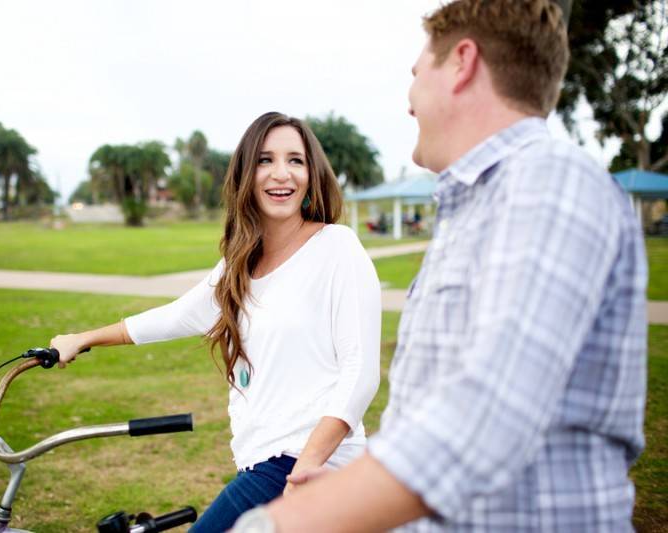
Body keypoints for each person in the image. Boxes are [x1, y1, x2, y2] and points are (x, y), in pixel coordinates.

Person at [232, 1, 648, 531]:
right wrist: (358, 480)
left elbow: (486, 417)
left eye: (415, 73)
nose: (408, 101)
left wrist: (284, 522)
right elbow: (441, 415)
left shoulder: (547, 183)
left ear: (462, 62)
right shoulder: (480, 207)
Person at [49, 111, 381, 532]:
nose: (282, 173)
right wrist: (85, 338)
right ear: (246, 174)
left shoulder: (336, 247)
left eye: (295, 160)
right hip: (264, 463)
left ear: (312, 173)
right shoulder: (240, 264)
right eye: (265, 160)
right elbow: (178, 316)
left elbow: (361, 372)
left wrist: (306, 467)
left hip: (307, 465)